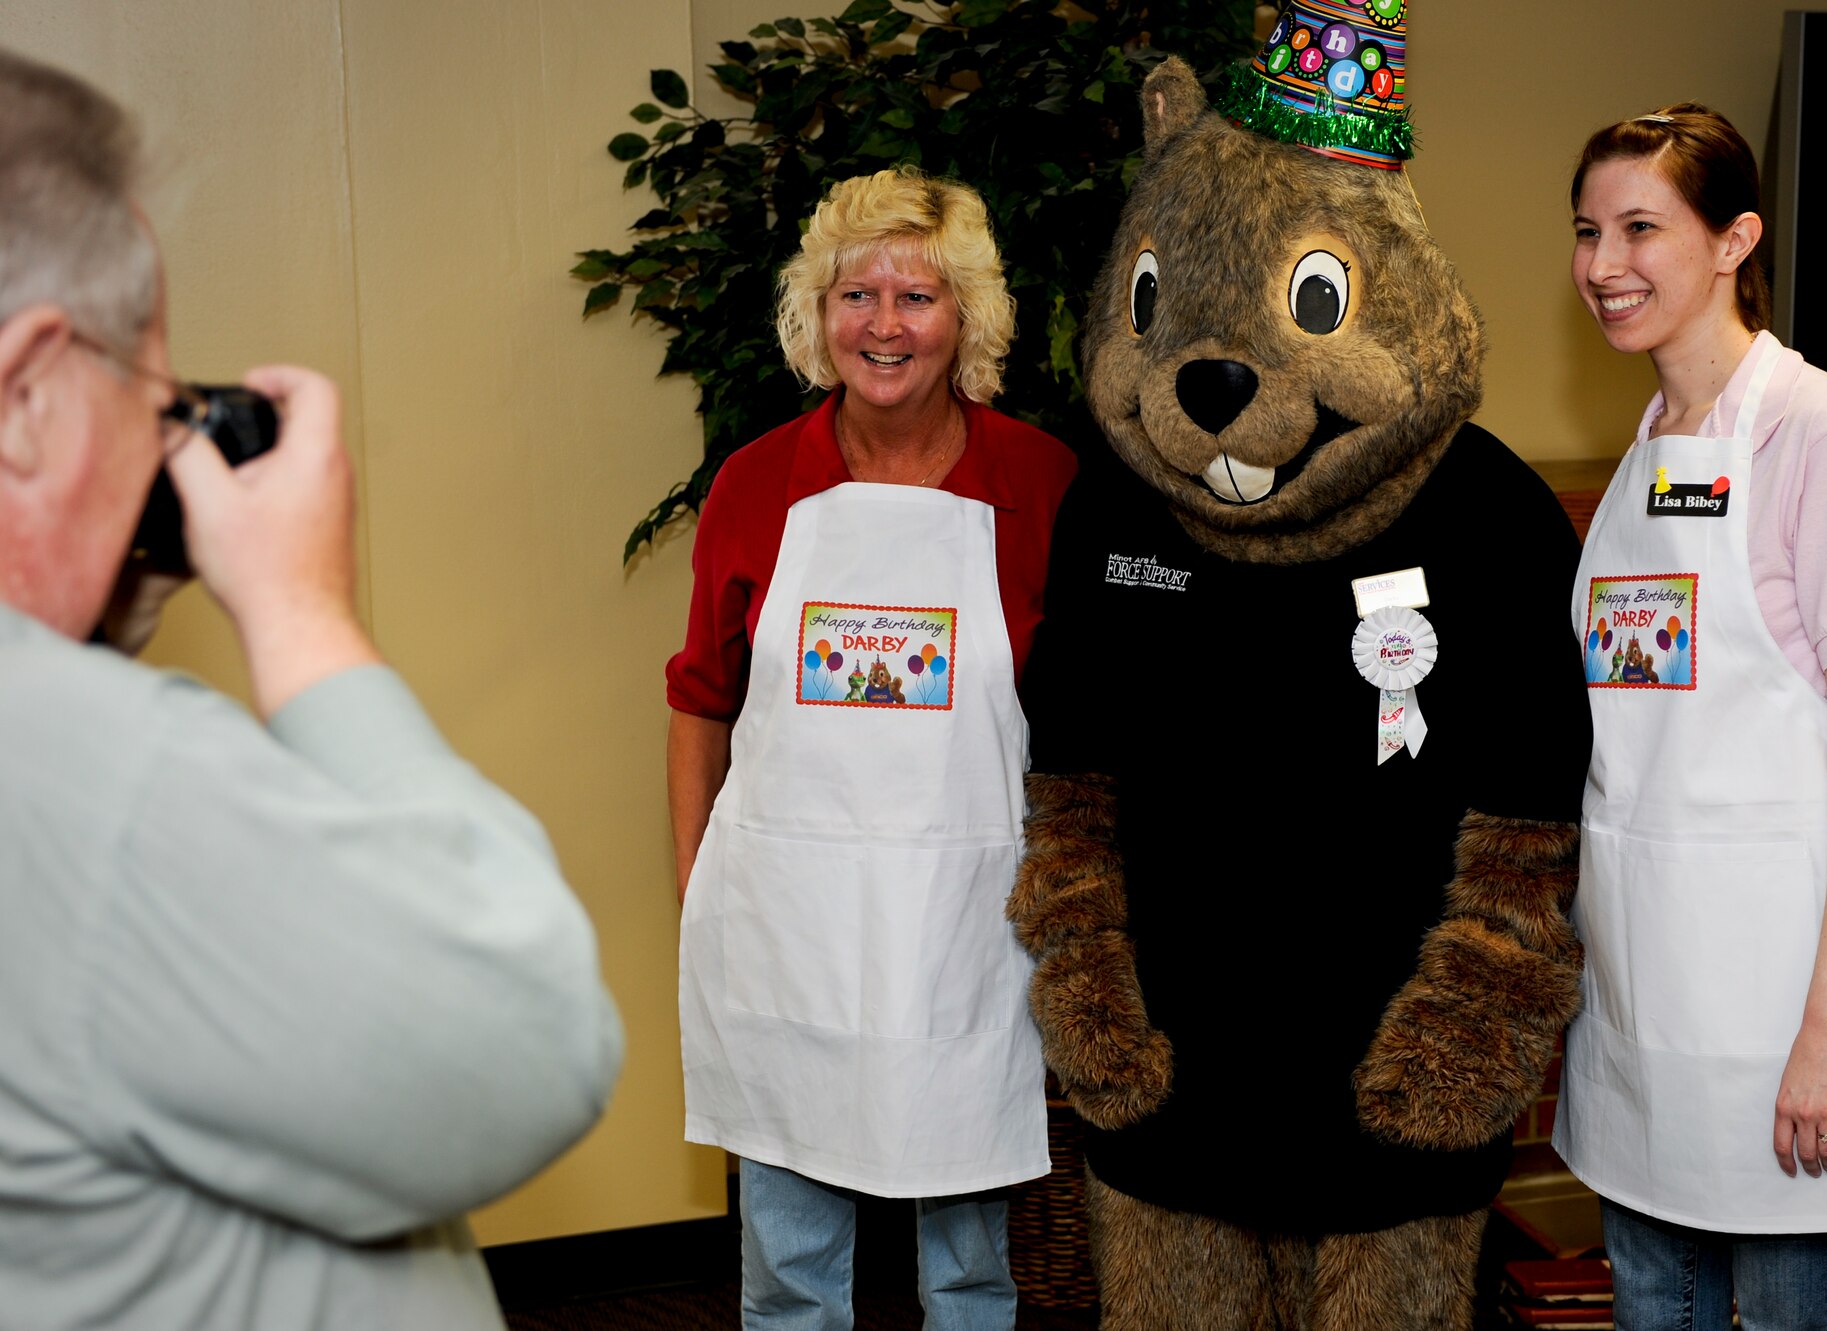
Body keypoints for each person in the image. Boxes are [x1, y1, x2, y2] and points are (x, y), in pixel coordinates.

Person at [0, 48, 623, 1331]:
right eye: (150, 392)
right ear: (24, 396)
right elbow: (530, 1042)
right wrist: (303, 613)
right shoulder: (101, 774)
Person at [668, 165, 1076, 1329]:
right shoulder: (752, 487)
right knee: (789, 1269)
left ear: (967, 320)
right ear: (817, 315)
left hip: (964, 927)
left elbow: (1082, 723)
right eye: (857, 295)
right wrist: (697, 885)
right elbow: (699, 698)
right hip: (785, 929)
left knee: (966, 1267)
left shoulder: (1042, 484)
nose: (884, 326)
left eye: (917, 296)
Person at [1552, 103, 1827, 1331]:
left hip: (1793, 984)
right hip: (1650, 986)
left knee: (1782, 1312)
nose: (1603, 266)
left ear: (1732, 240)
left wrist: (1826, 1028)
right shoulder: (1643, 453)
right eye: (1586, 230)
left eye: (1640, 228)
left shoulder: (1824, 432)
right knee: (1652, 1304)